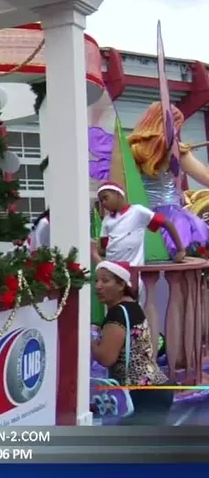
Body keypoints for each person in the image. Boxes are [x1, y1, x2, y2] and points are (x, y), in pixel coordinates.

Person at [92, 260, 172, 425]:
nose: (98, 286)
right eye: (96, 280)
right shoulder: (133, 307)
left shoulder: (117, 314)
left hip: (142, 395)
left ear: (121, 284)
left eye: (105, 281)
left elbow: (106, 358)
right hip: (156, 388)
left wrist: (89, 340)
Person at [129, 103, 209, 254]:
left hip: (137, 216)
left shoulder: (131, 148)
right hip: (170, 216)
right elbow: (205, 177)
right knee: (179, 268)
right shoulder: (174, 150)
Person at [96, 181, 185, 266]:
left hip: (133, 268)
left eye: (105, 198)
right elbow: (105, 248)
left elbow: (167, 223)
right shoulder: (107, 220)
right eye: (101, 201)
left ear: (118, 194)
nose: (103, 203)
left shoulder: (137, 211)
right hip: (112, 270)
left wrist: (180, 250)